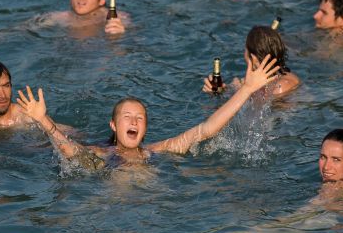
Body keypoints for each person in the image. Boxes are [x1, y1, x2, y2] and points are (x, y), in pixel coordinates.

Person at [16, 54, 280, 168]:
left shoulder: (157, 151)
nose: (134, 121)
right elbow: (69, 150)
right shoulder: (101, 155)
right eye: (127, 117)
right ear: (113, 126)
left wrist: (246, 90)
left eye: (140, 118)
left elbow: (206, 129)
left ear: (145, 128)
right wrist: (43, 120)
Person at [202, 25, 300, 98]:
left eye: (245, 49)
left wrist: (238, 91)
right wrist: (222, 91)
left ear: (252, 58)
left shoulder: (279, 87)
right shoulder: (285, 76)